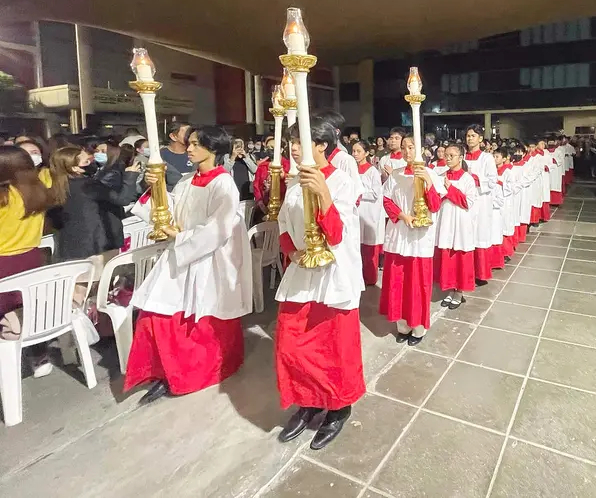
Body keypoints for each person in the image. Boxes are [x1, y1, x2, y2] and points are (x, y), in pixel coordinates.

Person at [123, 126, 252, 405]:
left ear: (213, 149)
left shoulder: (223, 184)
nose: (189, 149)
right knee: (158, 314)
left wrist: (182, 237)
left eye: (195, 144)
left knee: (204, 319)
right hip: (182, 254)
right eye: (189, 143)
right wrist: (155, 190)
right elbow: (173, 210)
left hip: (209, 259)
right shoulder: (185, 181)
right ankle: (163, 372)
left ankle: (195, 372)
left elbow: (219, 228)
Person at [274, 118, 365, 449]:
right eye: (291, 142)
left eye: (299, 141)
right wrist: (291, 251)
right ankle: (308, 399)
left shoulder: (342, 181)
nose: (293, 148)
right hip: (301, 272)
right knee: (292, 343)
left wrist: (323, 193)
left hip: (333, 276)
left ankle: (338, 407)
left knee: (333, 347)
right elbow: (284, 222)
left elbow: (338, 234)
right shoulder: (296, 182)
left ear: (322, 145)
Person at [379, 136, 445, 345]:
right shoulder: (396, 175)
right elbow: (387, 200)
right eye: (405, 147)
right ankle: (402, 326)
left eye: (412, 147)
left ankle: (418, 328)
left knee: (417, 283)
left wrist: (426, 181)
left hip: (419, 238)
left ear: (421, 150)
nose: (407, 151)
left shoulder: (431, 174)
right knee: (398, 282)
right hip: (399, 233)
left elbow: (434, 206)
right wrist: (403, 216)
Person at [0, 146, 54, 377]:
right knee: (27, 307)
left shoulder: (4, 196)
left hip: (4, 263)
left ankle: (11, 329)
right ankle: (39, 357)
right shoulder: (38, 192)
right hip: (32, 258)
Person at [48, 146, 140, 265]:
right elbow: (122, 199)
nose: (91, 163)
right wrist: (131, 176)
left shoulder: (57, 187)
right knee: (99, 280)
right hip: (98, 242)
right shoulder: (88, 186)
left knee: (80, 281)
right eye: (86, 161)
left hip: (70, 245)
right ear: (75, 168)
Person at [435, 144, 477, 309]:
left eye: (452, 155)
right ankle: (450, 289)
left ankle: (459, 292)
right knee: (447, 254)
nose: (448, 158)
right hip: (445, 219)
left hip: (460, 221)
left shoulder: (467, 178)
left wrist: (450, 189)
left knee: (460, 255)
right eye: (446, 155)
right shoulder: (441, 175)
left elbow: (468, 202)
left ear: (461, 158)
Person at [464, 125, 498, 283]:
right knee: (466, 235)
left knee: (480, 234)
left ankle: (481, 273)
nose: (469, 138)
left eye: (473, 135)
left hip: (481, 200)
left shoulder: (487, 158)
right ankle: (466, 271)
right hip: (465, 201)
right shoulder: (462, 156)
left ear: (480, 139)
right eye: (468, 135)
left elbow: (492, 181)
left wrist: (475, 178)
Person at [352, 140, 384, 285]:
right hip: (356, 213)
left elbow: (376, 193)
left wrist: (359, 194)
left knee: (369, 247)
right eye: (353, 151)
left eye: (358, 151)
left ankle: (369, 278)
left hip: (369, 212)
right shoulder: (352, 170)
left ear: (366, 153)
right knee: (356, 246)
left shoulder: (372, 171)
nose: (355, 154)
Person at [546, 137, 565, 206]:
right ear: (547, 143)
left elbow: (561, 159)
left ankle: (556, 201)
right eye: (549, 143)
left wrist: (555, 160)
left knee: (555, 185)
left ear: (555, 143)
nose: (551, 144)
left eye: (552, 143)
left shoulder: (559, 151)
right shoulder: (545, 152)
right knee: (548, 185)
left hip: (556, 171)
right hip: (548, 171)